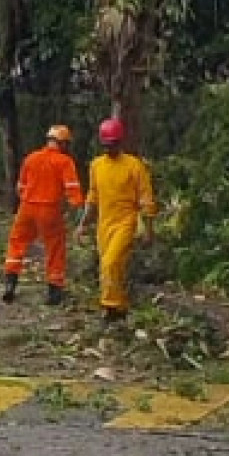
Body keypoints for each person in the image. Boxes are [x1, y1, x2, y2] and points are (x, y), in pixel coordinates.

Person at [74, 117, 156, 321]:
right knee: (109, 266)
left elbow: (146, 198)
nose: (109, 148)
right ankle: (121, 306)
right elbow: (92, 197)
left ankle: (110, 307)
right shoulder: (96, 165)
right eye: (106, 145)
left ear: (120, 142)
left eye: (113, 144)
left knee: (110, 262)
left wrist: (148, 229)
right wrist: (83, 224)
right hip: (104, 224)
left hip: (126, 222)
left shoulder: (134, 165)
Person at [2, 124, 84, 305]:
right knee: (55, 248)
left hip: (26, 207)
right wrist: (78, 210)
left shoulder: (31, 158)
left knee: (16, 243)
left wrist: (28, 198)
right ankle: (54, 292)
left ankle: (10, 284)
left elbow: (20, 187)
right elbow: (72, 190)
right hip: (50, 209)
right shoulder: (65, 162)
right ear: (63, 143)